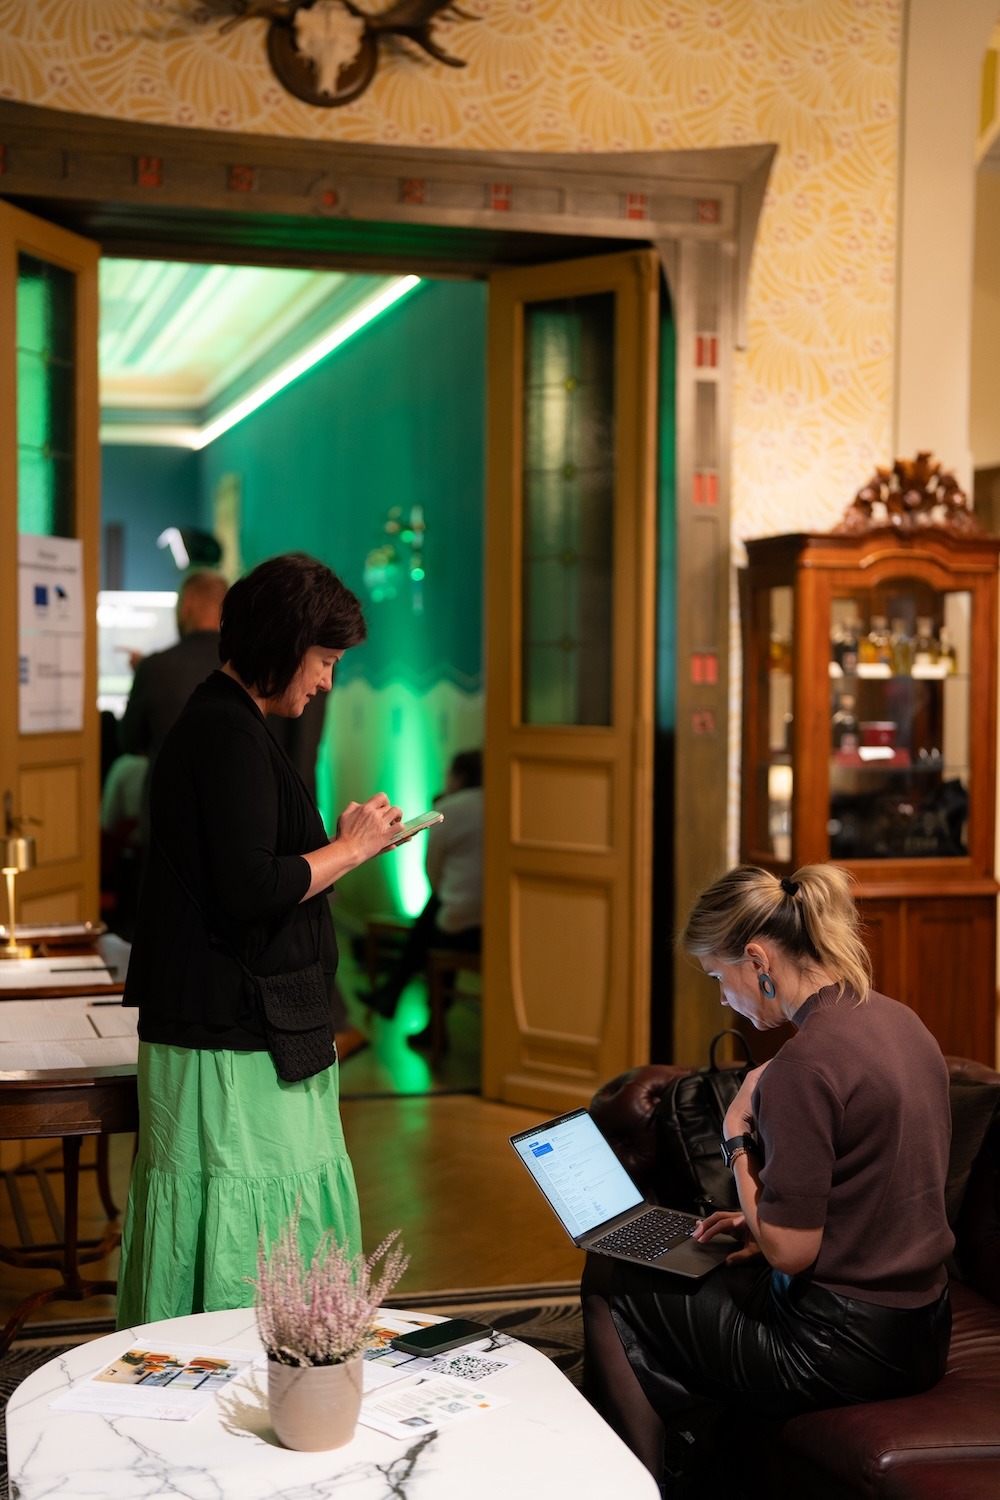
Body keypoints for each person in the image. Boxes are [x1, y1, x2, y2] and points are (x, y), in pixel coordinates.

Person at [581, 863, 953, 1496]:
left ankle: (639, 1485)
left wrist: (734, 1138)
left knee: (610, 1275)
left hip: (838, 1349)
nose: (722, 998)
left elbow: (791, 1252)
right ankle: (695, 1459)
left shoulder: (802, 1067)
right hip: (924, 1328)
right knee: (713, 1265)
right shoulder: (900, 1020)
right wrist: (758, 1220)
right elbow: (876, 1187)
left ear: (757, 959)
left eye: (717, 978)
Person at [116, 553, 406, 1327]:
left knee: (261, 1220)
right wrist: (350, 850)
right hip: (226, 1027)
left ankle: (279, 1366)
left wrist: (347, 843)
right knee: (248, 1231)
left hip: (239, 1019)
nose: (327, 681)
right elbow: (249, 887)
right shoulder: (226, 732)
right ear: (285, 644)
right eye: (325, 659)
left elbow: (259, 867)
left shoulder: (233, 722)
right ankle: (239, 1373)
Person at [364, 748, 483, 1049]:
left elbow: (433, 874)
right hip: (496, 923)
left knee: (435, 914)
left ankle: (400, 997)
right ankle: (394, 993)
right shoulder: (505, 803)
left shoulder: (448, 809)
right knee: (436, 914)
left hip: (460, 925)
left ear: (459, 777)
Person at [119, 569, 229, 846]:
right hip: (231, 818)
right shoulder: (243, 665)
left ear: (188, 604)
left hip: (167, 819)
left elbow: (129, 740)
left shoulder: (154, 667)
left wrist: (143, 673)